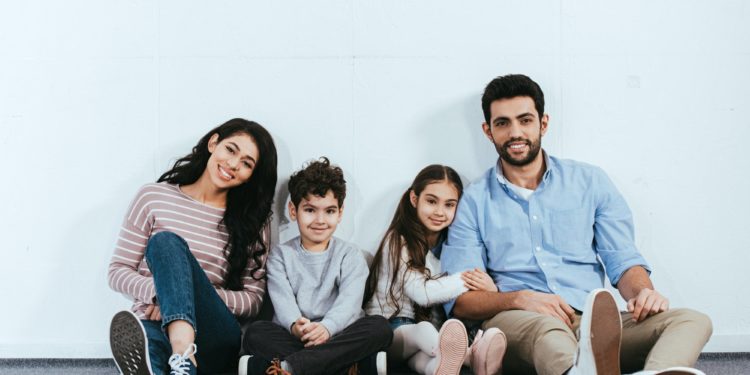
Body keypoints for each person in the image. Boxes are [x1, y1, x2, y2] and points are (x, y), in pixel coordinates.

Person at [441, 74, 712, 375]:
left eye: (525, 120)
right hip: (520, 320)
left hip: (594, 323)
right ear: (488, 131)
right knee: (548, 332)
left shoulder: (590, 182)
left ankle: (651, 372)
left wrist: (642, 294)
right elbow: (460, 301)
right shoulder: (473, 201)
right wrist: (518, 298)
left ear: (543, 124)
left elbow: (622, 259)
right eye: (502, 123)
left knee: (692, 321)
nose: (515, 132)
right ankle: (580, 369)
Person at [107, 118, 278, 375]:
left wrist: (179, 296)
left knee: (166, 242)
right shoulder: (153, 197)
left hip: (215, 336)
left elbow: (253, 300)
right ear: (213, 143)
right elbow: (117, 271)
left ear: (251, 176)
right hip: (153, 321)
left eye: (246, 164)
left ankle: (183, 355)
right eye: (231, 150)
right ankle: (181, 361)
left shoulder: (251, 221)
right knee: (152, 348)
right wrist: (161, 293)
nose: (233, 164)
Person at [240, 157, 392, 375]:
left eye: (329, 211)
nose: (320, 220)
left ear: (340, 213)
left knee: (380, 328)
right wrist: (296, 326)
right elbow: (283, 302)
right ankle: (348, 367)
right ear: (294, 211)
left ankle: (289, 367)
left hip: (339, 335)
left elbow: (349, 303)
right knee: (255, 333)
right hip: (300, 338)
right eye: (310, 210)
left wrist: (327, 328)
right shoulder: (280, 256)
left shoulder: (350, 255)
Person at [364, 164, 507, 375]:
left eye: (450, 205)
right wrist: (469, 279)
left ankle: (444, 367)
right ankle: (470, 356)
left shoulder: (449, 248)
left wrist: (491, 290)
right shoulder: (397, 241)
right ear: (414, 199)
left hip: (425, 344)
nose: (440, 212)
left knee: (429, 363)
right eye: (431, 201)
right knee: (424, 331)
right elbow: (423, 294)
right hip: (389, 331)